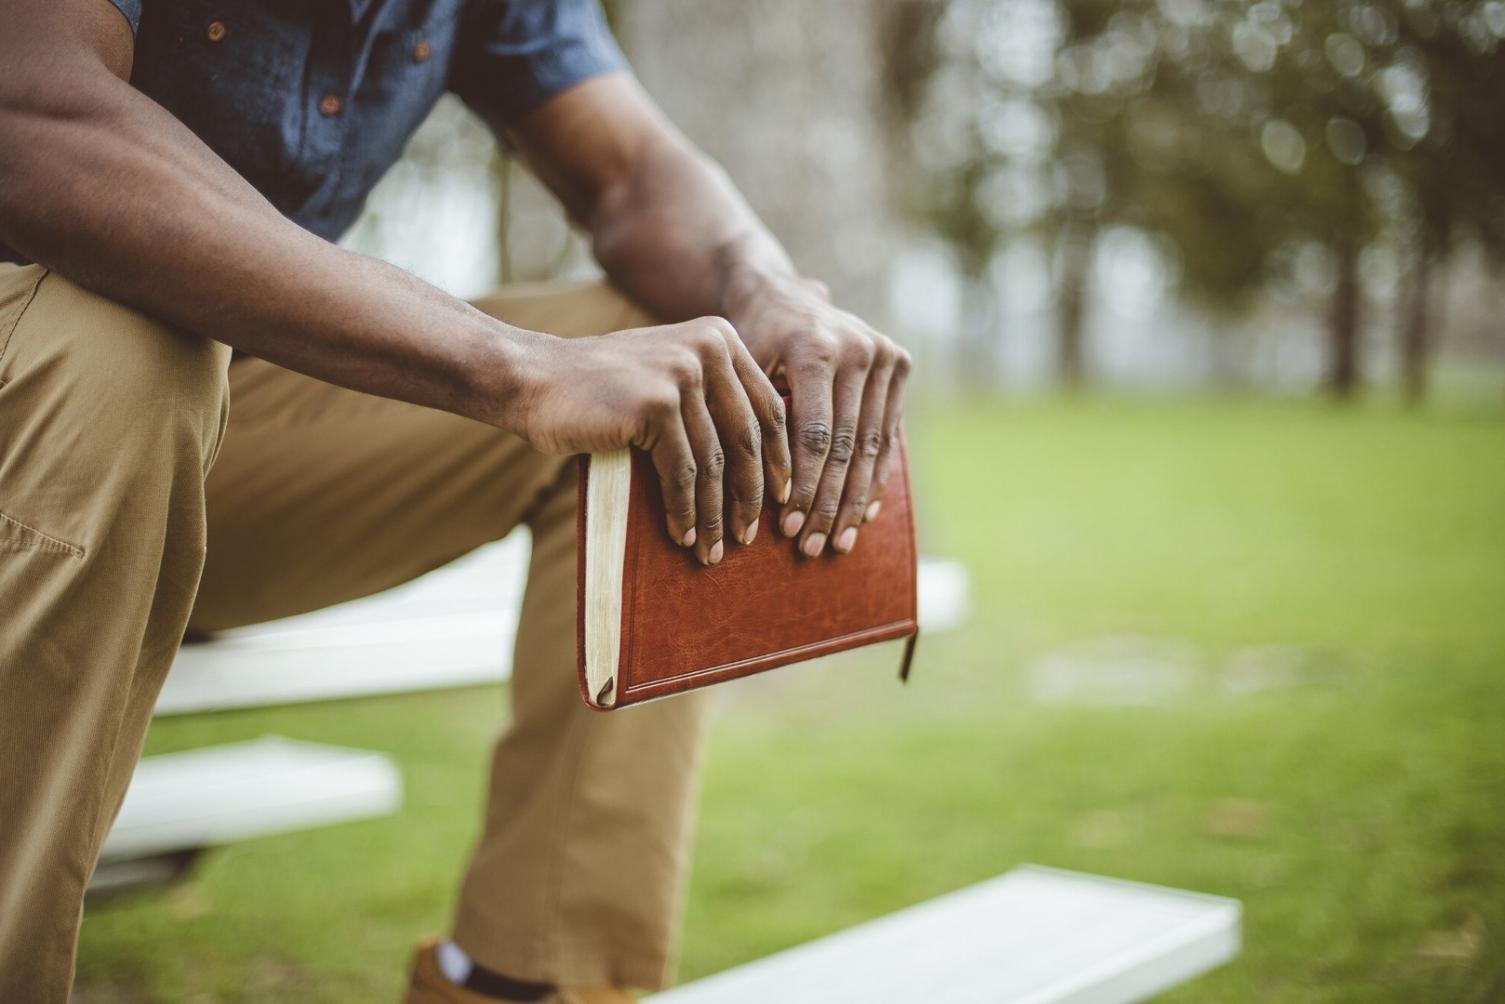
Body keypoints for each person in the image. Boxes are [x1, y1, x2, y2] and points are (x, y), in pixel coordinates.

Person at [0, 2, 910, 1001]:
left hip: (200, 433)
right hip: (57, 396)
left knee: (678, 370)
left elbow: (634, 169)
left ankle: (529, 981)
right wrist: (511, 366)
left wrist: (762, 284)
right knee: (122, 350)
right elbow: (31, 112)